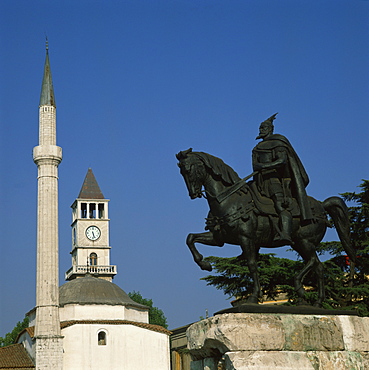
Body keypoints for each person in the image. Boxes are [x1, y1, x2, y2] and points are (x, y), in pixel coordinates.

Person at [252, 113, 312, 245]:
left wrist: (264, 166)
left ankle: (285, 233)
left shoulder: (278, 143)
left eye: (263, 128)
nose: (261, 130)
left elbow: (282, 161)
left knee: (280, 206)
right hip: (260, 181)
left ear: (270, 129)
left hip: (274, 180)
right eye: (260, 128)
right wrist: (259, 168)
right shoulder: (256, 148)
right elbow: (255, 166)